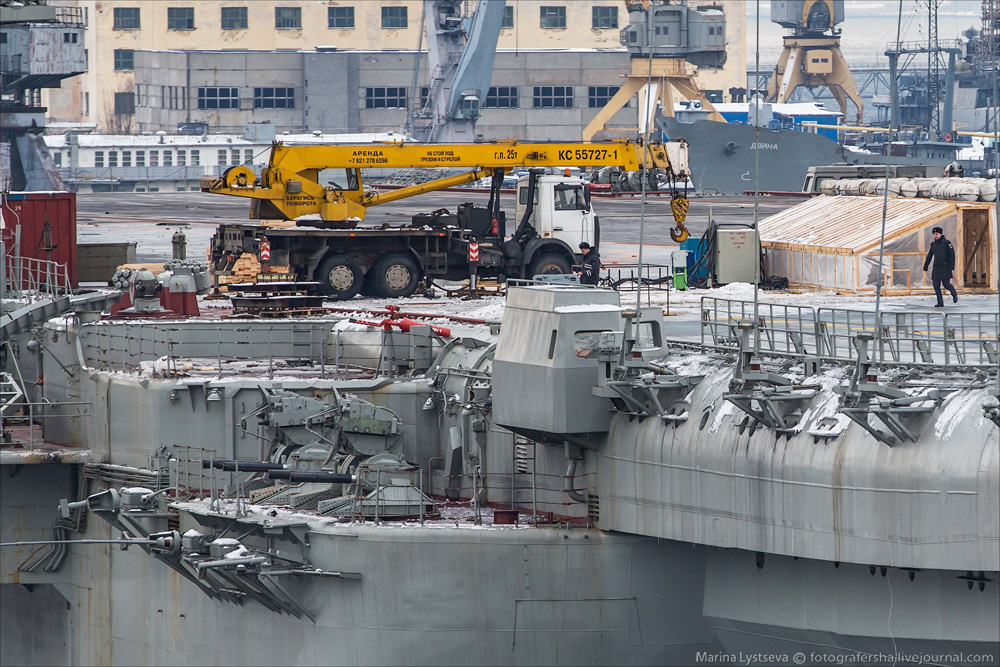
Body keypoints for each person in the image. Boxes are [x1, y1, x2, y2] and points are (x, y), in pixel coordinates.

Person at [923, 226, 958, 307]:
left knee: (946, 284)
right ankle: (940, 302)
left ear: (940, 234)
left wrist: (951, 266)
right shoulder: (933, 244)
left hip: (945, 267)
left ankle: (954, 293)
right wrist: (926, 266)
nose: (935, 235)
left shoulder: (947, 243)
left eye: (937, 234)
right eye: (934, 234)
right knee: (936, 285)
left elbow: (952, 255)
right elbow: (929, 256)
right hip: (937, 268)